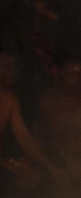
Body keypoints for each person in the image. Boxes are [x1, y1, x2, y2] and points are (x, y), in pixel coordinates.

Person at [0, 52, 64, 188]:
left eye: (14, 66)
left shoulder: (9, 99)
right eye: (7, 66)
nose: (13, 71)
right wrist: (11, 167)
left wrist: (49, 165)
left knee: (47, 175)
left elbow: (24, 137)